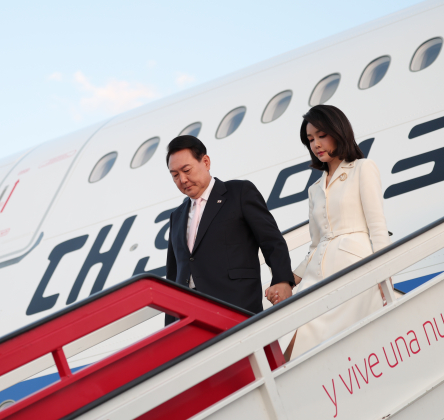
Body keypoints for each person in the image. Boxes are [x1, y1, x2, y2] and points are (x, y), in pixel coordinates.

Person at [286, 104, 391, 360]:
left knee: (348, 352)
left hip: (353, 268)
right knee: (291, 341)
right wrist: (289, 279)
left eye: (322, 135)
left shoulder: (362, 168)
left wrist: (385, 276)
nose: (316, 144)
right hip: (316, 277)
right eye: (310, 139)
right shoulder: (314, 188)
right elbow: (315, 244)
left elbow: (377, 227)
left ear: (338, 131)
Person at [164, 135, 294, 324]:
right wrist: (171, 325)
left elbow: (271, 240)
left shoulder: (239, 192)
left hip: (236, 305)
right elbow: (173, 274)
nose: (182, 179)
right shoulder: (177, 216)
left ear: (206, 162)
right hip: (190, 316)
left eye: (186, 170)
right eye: (175, 175)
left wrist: (282, 280)